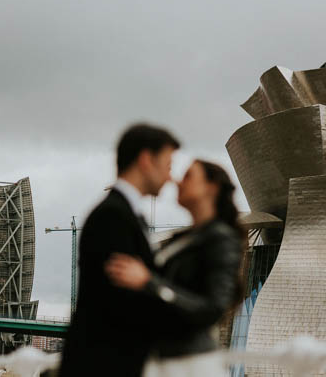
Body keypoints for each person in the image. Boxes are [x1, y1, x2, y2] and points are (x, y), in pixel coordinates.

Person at [105, 160, 246, 376]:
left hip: (190, 365)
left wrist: (149, 283)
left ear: (211, 187)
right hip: (163, 361)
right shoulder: (182, 239)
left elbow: (213, 308)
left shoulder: (220, 239)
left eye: (188, 176)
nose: (178, 182)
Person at [60, 123, 180, 377]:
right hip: (103, 365)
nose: (170, 177)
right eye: (168, 165)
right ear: (146, 160)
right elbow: (122, 301)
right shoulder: (112, 216)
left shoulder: (123, 214)